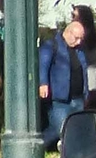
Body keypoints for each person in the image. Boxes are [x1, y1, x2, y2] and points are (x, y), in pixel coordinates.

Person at [38, 15, 89, 150]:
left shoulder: (80, 50)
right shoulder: (51, 45)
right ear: (68, 32)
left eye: (81, 39)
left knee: (72, 130)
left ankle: (68, 154)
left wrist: (86, 93)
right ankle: (37, 148)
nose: (79, 42)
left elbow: (84, 71)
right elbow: (43, 65)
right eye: (77, 38)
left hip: (77, 98)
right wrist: (43, 83)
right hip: (59, 98)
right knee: (60, 129)